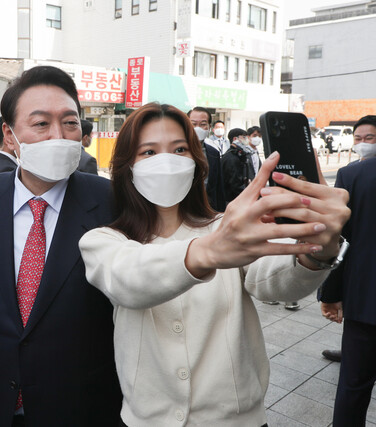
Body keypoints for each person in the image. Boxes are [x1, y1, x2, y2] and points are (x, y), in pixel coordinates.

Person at [79, 103, 350, 426]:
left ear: (197, 162)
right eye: (149, 152)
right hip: (145, 419)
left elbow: (273, 280)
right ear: (126, 167)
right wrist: (209, 252)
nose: (167, 162)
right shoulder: (104, 239)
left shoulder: (226, 227)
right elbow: (126, 280)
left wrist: (316, 248)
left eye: (179, 149)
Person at [0, 65, 122, 426]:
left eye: (70, 123)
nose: (58, 136)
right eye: (41, 124)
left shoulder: (112, 201)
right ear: (9, 135)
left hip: (80, 403)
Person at [319, 114, 376, 425]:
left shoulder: (352, 175)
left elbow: (340, 240)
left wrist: (331, 293)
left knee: (353, 387)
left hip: (365, 301)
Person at [188, 107, 226, 211]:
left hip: (208, 210)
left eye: (203, 124)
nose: (198, 128)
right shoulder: (177, 151)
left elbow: (218, 188)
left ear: (209, 127)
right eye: (193, 124)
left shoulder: (213, 153)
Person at [221, 128, 255, 205]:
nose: (247, 140)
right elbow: (235, 183)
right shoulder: (231, 158)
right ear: (235, 139)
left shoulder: (238, 155)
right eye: (244, 137)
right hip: (232, 200)